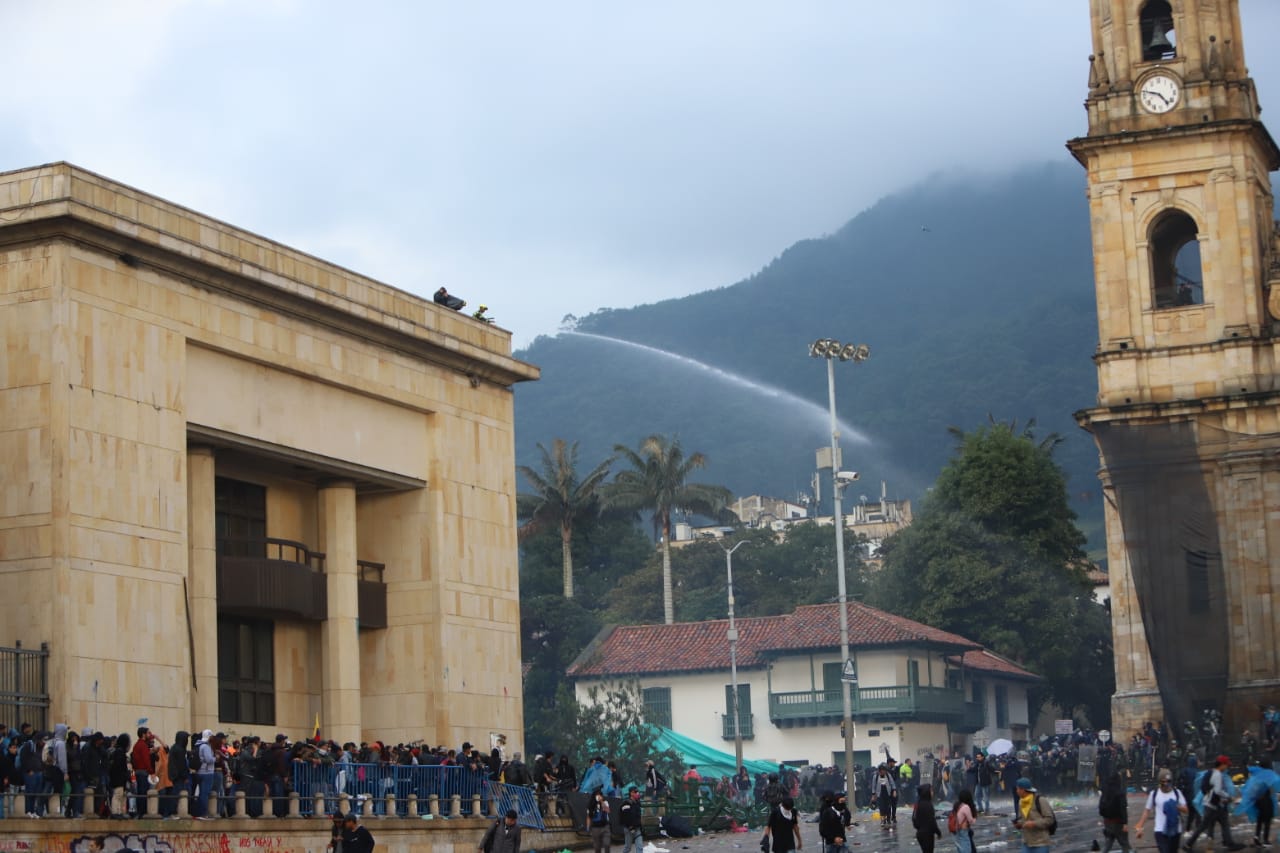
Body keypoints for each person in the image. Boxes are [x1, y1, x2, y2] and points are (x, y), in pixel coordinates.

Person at [1187, 755, 1245, 852]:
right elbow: (1218, 790)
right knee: (1205, 825)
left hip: (1215, 804)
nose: (1227, 767)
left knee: (1222, 823)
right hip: (1213, 805)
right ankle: (1189, 844)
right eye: (1226, 765)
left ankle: (1228, 843)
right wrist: (1228, 796)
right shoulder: (1217, 774)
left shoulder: (1211, 772)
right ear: (1221, 764)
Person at [1134, 768, 1187, 853]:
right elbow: (1147, 811)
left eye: (1168, 781)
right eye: (1163, 782)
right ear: (1159, 782)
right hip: (1160, 830)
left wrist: (1175, 806)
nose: (1166, 784)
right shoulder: (1154, 794)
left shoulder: (1177, 793)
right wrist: (1140, 825)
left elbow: (1186, 810)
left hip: (1175, 829)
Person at [1012, 777, 1055, 853]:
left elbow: (1049, 819)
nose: (1017, 791)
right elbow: (1021, 819)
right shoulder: (1021, 802)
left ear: (1023, 790)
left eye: (1018, 789)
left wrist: (1034, 823)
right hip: (1027, 843)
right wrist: (1019, 824)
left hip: (1040, 843)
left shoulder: (1040, 800)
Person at [1098, 770, 1132, 853]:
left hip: (1107, 822)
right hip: (1118, 822)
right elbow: (1123, 808)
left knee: (1108, 843)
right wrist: (1125, 823)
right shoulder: (1120, 793)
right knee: (1124, 844)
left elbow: (1101, 806)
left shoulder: (1105, 792)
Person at [912, 784, 942, 853]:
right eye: (931, 791)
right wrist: (938, 832)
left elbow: (914, 818)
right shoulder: (928, 805)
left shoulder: (918, 803)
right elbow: (932, 821)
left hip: (920, 833)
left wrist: (919, 828)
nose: (932, 792)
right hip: (927, 835)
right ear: (926, 792)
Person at [873, 764, 899, 828]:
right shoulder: (875, 776)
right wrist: (873, 795)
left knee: (888, 806)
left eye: (884, 770)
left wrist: (894, 790)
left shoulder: (888, 775)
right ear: (879, 771)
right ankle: (883, 820)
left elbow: (892, 783)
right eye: (882, 771)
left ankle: (888, 819)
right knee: (882, 807)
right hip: (879, 793)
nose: (883, 772)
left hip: (887, 793)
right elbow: (873, 786)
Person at [620, 788, 644, 853]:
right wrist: (630, 827)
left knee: (640, 847)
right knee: (627, 848)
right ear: (631, 793)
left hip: (637, 828)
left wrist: (641, 826)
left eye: (637, 791)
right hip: (629, 829)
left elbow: (639, 816)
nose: (637, 793)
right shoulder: (626, 803)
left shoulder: (637, 803)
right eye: (635, 792)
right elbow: (625, 817)